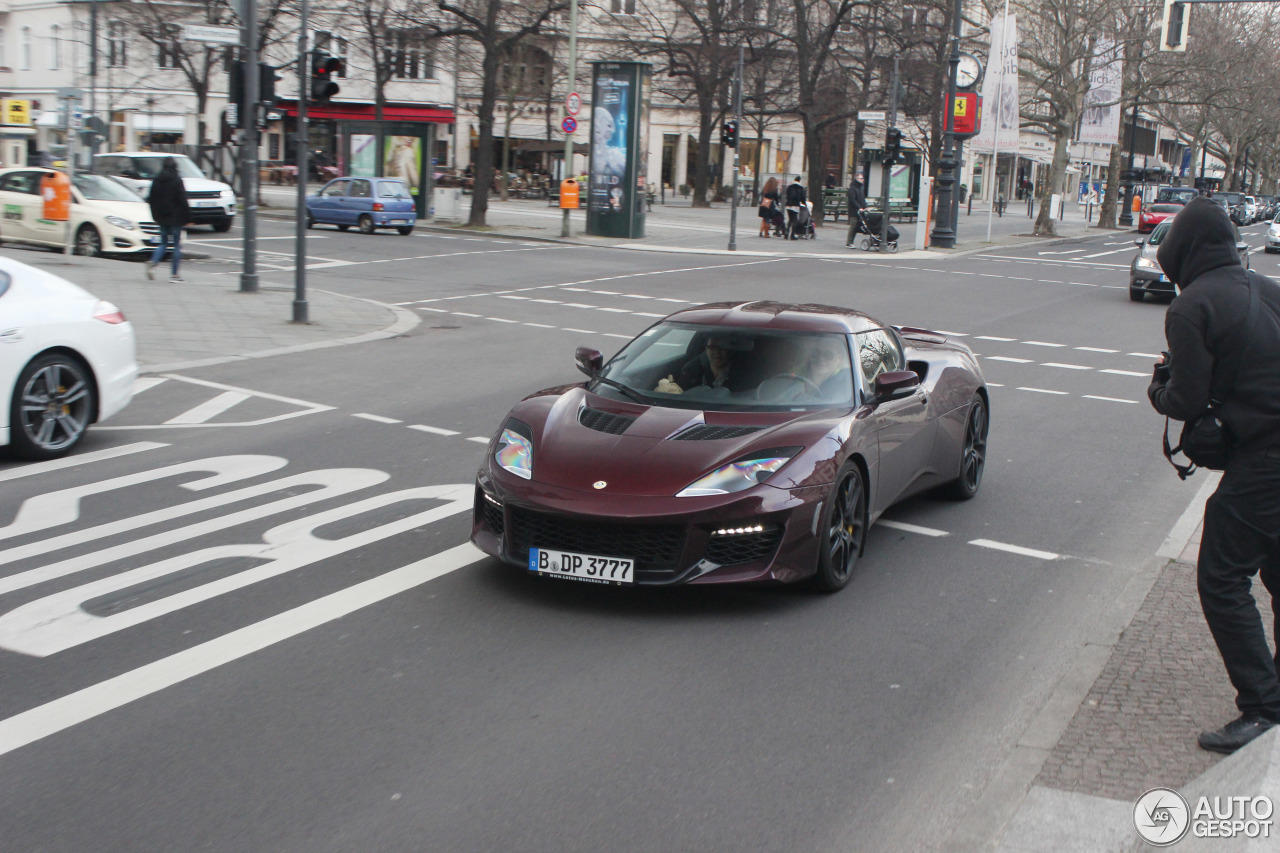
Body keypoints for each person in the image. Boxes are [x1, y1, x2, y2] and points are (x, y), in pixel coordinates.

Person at [1147, 196, 1280, 754]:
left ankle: (1263, 707)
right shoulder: (1270, 289)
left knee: (1221, 578)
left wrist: (1159, 389)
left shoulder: (1190, 307)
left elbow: (1187, 397)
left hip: (1264, 460)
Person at [145, 157, 190, 284]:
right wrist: (188, 217)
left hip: (162, 218)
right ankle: (175, 275)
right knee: (176, 246)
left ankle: (153, 262)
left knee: (163, 243)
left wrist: (155, 216)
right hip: (175, 218)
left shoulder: (157, 180)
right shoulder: (177, 180)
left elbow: (151, 199)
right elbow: (183, 200)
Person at [655, 336, 737, 394]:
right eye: (712, 347)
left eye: (722, 347)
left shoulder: (740, 373)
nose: (717, 352)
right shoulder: (691, 370)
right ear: (706, 349)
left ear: (730, 350)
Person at [845, 172, 867, 248]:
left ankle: (851, 241)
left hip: (860, 211)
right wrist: (859, 207)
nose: (862, 180)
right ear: (857, 179)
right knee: (853, 225)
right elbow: (852, 200)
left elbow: (862, 199)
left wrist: (865, 207)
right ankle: (849, 242)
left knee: (857, 226)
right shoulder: (852, 188)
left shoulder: (861, 188)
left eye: (863, 178)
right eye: (861, 178)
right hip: (853, 211)